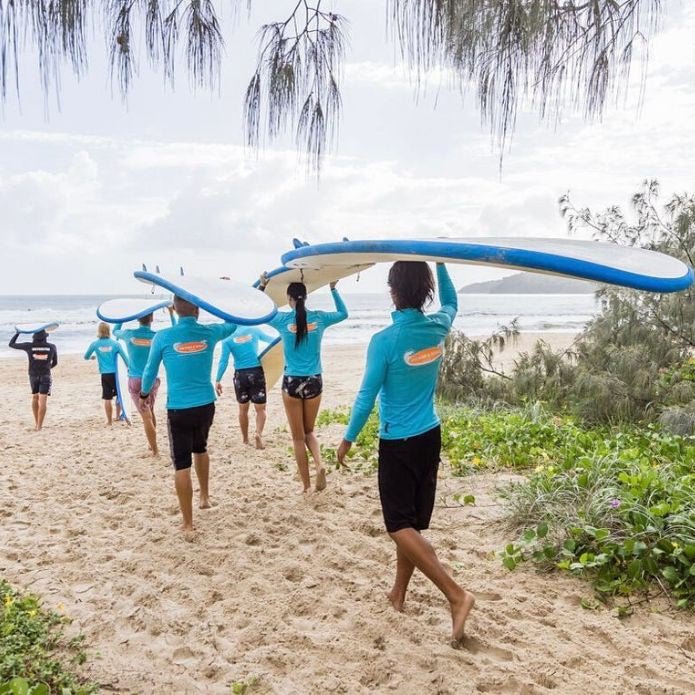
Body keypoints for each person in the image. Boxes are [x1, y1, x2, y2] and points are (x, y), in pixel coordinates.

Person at [336, 262, 475, 645]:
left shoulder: (385, 340)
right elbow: (452, 301)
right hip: (430, 435)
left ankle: (457, 596)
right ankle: (398, 593)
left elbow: (366, 396)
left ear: (392, 290)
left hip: (397, 442)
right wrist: (440, 261)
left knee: (399, 526)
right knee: (410, 525)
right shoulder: (438, 325)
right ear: (425, 291)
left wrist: (348, 437)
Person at [139, 296, 236, 535]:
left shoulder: (163, 337)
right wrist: (223, 296)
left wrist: (143, 394)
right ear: (198, 310)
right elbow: (233, 323)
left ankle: (188, 524)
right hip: (205, 404)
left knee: (182, 464)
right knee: (201, 448)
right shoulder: (210, 332)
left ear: (175, 309)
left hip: (179, 409)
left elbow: (150, 370)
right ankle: (204, 497)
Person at [258, 275, 348, 493]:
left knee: (298, 437)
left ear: (289, 299)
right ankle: (319, 465)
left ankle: (306, 485)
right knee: (309, 432)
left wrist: (262, 286)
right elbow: (344, 313)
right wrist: (334, 288)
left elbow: (259, 311)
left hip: (291, 382)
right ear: (305, 298)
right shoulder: (319, 318)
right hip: (314, 381)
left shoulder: (281, 320)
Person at [114, 306, 176, 457]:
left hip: (135, 381)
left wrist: (122, 316)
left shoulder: (129, 334)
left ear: (137, 318)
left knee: (146, 416)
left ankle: (155, 450)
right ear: (152, 319)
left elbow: (115, 331)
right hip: (153, 380)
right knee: (150, 411)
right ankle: (151, 443)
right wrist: (171, 313)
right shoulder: (158, 336)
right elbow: (175, 332)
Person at [215, 325, 276, 450]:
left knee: (243, 410)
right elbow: (273, 341)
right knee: (261, 409)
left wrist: (218, 379)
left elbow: (223, 361)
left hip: (240, 376)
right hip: (256, 373)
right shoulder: (254, 330)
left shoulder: (227, 338)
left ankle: (245, 439)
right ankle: (258, 434)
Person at [9, 328, 58, 431]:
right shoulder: (52, 347)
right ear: (45, 337)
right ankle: (39, 426)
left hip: (33, 375)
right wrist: (47, 367)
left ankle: (36, 423)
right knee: (43, 400)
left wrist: (18, 333)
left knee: (35, 397)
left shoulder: (29, 346)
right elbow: (55, 363)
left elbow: (11, 344)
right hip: (45, 375)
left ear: (34, 337)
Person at [84, 323, 129, 425]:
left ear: (99, 331)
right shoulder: (115, 344)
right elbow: (126, 359)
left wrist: (93, 357)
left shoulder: (95, 344)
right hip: (116, 374)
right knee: (119, 395)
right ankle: (117, 416)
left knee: (107, 397)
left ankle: (109, 421)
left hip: (105, 374)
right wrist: (129, 369)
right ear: (109, 331)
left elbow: (86, 356)